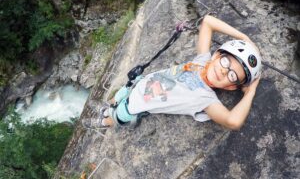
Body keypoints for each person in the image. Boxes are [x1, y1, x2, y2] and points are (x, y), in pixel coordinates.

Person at [84, 15, 261, 130]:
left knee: (119, 115)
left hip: (138, 104)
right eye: (225, 62)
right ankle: (106, 106)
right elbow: (208, 21)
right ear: (216, 55)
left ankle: (103, 122)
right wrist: (244, 38)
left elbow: (233, 121)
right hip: (141, 82)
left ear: (230, 87)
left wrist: (250, 92)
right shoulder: (202, 61)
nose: (223, 71)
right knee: (122, 92)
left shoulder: (205, 99)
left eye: (232, 76)